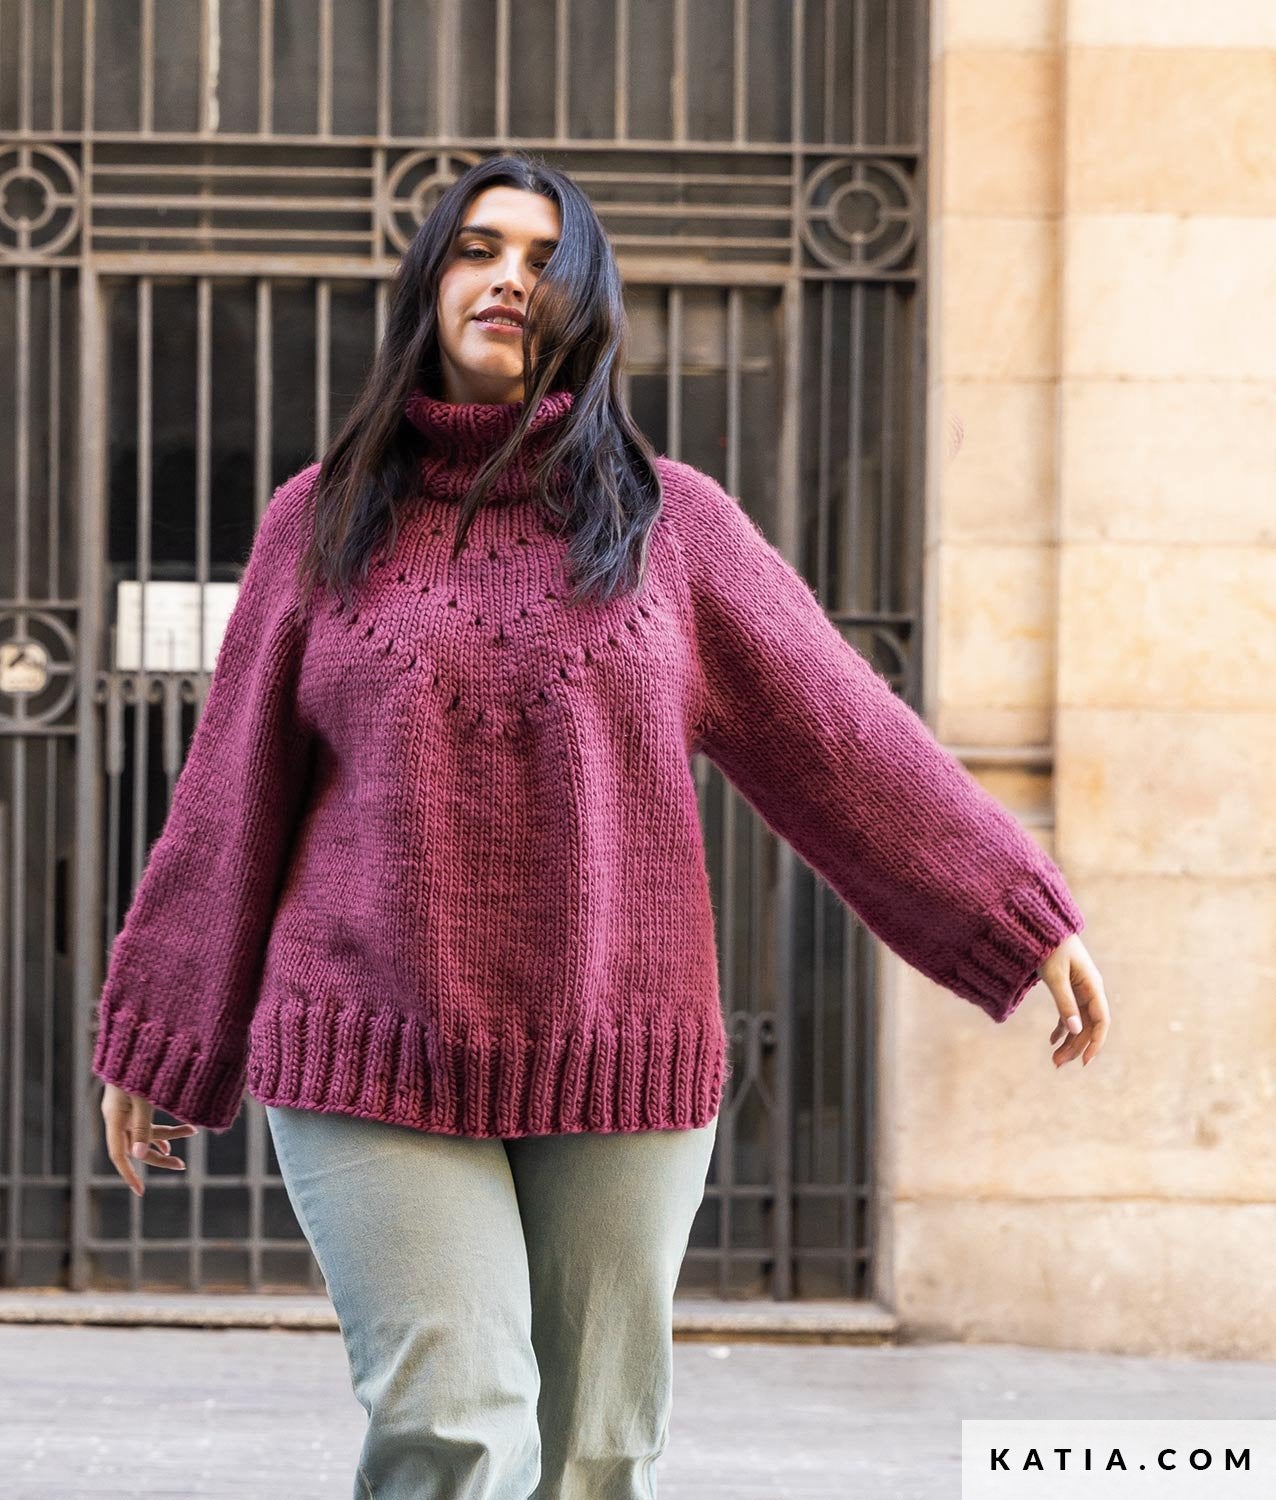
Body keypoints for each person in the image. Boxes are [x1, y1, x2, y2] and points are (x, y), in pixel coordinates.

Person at [95, 152, 1111, 1499]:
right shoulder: (321, 518)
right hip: (365, 1040)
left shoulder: (671, 525)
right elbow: (231, 790)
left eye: (542, 258)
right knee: (454, 1422)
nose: (507, 278)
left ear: (585, 305)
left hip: (617, 1046)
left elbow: (844, 740)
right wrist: (161, 1028)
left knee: (596, 1453)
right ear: (428, 286)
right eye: (476, 249)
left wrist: (1011, 907)